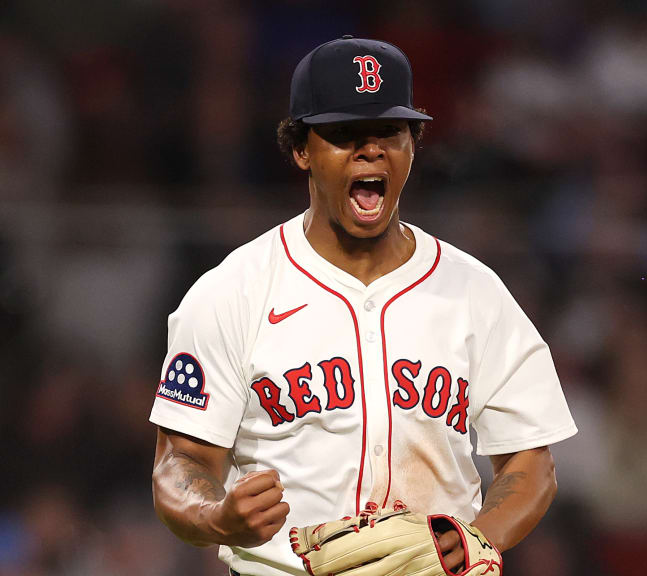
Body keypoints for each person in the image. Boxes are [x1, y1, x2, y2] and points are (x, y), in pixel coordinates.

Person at [149, 36, 577, 576]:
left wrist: (477, 539)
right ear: (301, 149)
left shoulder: (474, 291)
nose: (369, 150)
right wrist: (216, 517)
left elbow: (531, 461)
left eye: (388, 132)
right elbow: (180, 462)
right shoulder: (232, 292)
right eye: (344, 134)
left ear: (413, 145)